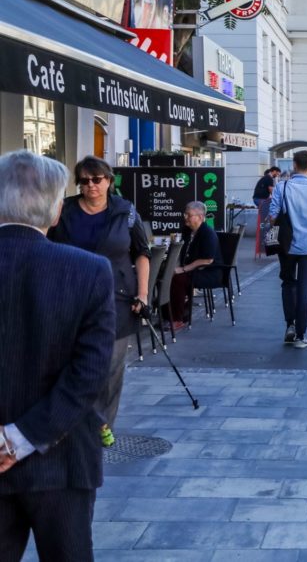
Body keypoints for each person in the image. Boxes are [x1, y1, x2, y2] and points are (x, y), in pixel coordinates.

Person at [0, 150, 116, 561]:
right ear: (55, 211)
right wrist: (20, 439)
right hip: (62, 458)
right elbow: (90, 373)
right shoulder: (89, 271)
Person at [48, 156, 151, 449]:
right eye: (84, 181)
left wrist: (143, 294)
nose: (91, 186)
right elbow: (46, 246)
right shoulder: (64, 210)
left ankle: (103, 424)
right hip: (72, 298)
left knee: (111, 367)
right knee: (76, 364)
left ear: (109, 180)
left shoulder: (125, 211)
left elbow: (142, 253)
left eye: (97, 179)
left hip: (117, 298)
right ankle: (85, 421)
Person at [268, 151, 307, 349]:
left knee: (288, 283)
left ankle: (290, 325)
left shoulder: (281, 186)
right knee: (306, 289)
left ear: (294, 165)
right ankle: (301, 335)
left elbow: (272, 216)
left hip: (286, 245)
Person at [168, 202, 222, 329]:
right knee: (168, 275)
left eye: (189, 215)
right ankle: (169, 314)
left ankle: (178, 319)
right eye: (185, 214)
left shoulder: (207, 233)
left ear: (201, 217)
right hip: (195, 270)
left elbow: (207, 260)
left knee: (179, 279)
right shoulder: (187, 231)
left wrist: (183, 269)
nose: (185, 217)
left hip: (210, 272)